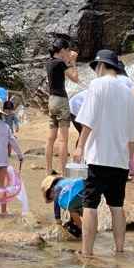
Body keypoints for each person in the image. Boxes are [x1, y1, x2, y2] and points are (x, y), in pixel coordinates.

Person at [73, 49, 134, 258]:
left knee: (90, 205)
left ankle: (87, 253)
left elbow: (88, 119)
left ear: (101, 66)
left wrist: (79, 146)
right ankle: (119, 250)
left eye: (96, 68)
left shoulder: (97, 85)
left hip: (98, 157)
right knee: (117, 206)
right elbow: (133, 133)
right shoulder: (128, 91)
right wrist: (129, 158)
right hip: (119, 161)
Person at [45, 39, 79, 175]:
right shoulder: (60, 63)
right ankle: (63, 171)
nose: (68, 53)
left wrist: (68, 61)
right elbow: (75, 78)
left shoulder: (49, 62)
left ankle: (48, 170)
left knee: (50, 138)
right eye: (67, 50)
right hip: (61, 100)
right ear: (63, 50)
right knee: (63, 139)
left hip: (51, 100)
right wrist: (73, 62)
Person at [42, 173, 83, 238]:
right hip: (85, 190)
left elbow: (56, 204)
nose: (51, 198)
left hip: (78, 194)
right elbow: (71, 197)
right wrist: (71, 220)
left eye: (48, 196)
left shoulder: (56, 188)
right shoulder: (64, 183)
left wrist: (58, 219)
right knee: (84, 212)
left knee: (72, 210)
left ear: (50, 189)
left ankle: (83, 230)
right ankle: (92, 228)